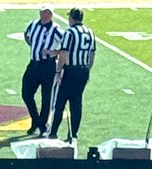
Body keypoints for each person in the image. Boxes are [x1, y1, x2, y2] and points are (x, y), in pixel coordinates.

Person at [48, 8, 96, 142]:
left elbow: (63, 53)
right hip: (83, 71)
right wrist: (88, 69)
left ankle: (53, 132)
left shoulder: (70, 32)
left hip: (70, 70)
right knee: (76, 102)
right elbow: (92, 53)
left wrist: (58, 71)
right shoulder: (90, 32)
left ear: (72, 18)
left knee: (60, 101)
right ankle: (73, 133)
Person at [21, 6, 63, 136]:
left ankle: (43, 125)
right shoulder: (33, 24)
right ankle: (36, 120)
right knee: (26, 93)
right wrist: (34, 46)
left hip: (48, 65)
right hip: (34, 64)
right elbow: (26, 35)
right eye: (43, 12)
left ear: (52, 15)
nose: (45, 15)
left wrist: (53, 52)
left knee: (47, 97)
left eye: (48, 13)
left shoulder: (56, 29)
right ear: (40, 13)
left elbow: (66, 46)